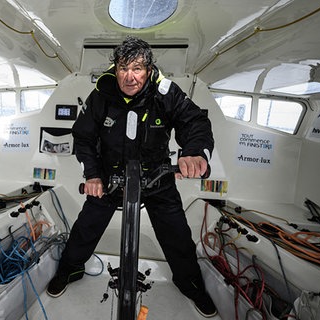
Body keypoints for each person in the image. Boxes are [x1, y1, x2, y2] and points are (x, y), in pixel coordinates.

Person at [46, 36, 217, 318]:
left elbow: (194, 121)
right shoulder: (102, 94)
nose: (129, 76)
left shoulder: (166, 92)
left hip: (157, 178)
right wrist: (92, 175)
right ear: (115, 69)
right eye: (123, 68)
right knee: (86, 228)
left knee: (177, 234)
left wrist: (195, 151)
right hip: (108, 177)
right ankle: (69, 270)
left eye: (137, 68)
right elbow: (83, 137)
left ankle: (191, 284)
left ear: (149, 69)